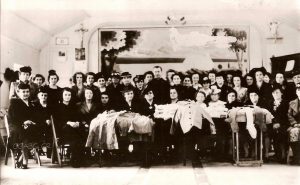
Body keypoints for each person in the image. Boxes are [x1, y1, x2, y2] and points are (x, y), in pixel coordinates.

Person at [8, 83, 38, 169]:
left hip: (29, 126)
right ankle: (25, 159)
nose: (25, 93)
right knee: (23, 133)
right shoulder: (14, 102)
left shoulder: (32, 103)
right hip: (16, 125)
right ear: (18, 92)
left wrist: (31, 122)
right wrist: (23, 123)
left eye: (27, 91)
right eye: (23, 92)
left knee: (36, 129)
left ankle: (22, 157)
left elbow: (34, 116)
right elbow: (13, 117)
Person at [53, 88, 84, 167]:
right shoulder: (57, 107)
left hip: (73, 129)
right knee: (73, 133)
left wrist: (77, 122)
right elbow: (57, 122)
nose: (67, 96)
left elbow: (78, 117)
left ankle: (78, 158)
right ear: (62, 96)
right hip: (62, 131)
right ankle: (74, 159)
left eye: (69, 95)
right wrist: (68, 122)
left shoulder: (74, 106)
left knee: (81, 130)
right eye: (65, 95)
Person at [269, 85, 289, 163]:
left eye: (277, 92)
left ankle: (283, 155)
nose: (275, 94)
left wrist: (280, 123)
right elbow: (269, 115)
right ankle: (277, 154)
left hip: (283, 124)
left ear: (281, 94)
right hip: (273, 124)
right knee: (273, 133)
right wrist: (274, 123)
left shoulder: (286, 103)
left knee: (282, 133)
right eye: (274, 93)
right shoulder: (270, 103)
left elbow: (287, 116)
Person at [34, 87, 52, 158]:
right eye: (42, 95)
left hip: (49, 125)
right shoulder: (35, 105)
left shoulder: (50, 106)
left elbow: (52, 115)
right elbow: (35, 117)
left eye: (45, 95)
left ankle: (50, 153)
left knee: (51, 133)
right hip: (39, 125)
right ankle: (37, 151)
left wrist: (49, 120)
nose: (43, 97)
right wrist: (44, 120)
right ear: (38, 96)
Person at [287, 83, 300, 165]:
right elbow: (289, 115)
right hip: (295, 125)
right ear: (296, 92)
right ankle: (296, 157)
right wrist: (295, 123)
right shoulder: (292, 103)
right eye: (298, 90)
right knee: (294, 131)